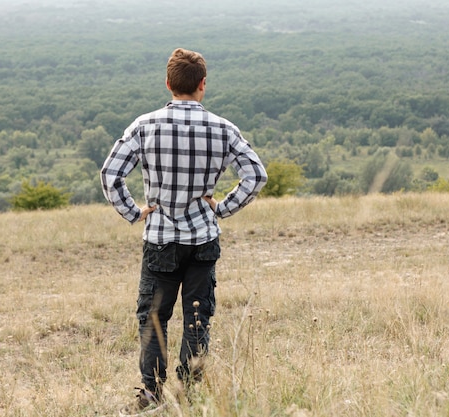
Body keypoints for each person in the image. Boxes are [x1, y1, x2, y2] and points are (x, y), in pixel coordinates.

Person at [101, 47, 267, 415]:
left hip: (160, 238)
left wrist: (135, 211)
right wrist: (221, 207)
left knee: (154, 318)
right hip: (202, 238)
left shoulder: (144, 125)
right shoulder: (223, 129)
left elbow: (110, 175)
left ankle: (151, 395)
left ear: (168, 83)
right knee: (197, 318)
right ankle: (190, 393)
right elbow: (256, 175)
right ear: (202, 85)